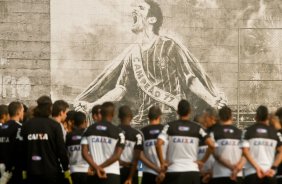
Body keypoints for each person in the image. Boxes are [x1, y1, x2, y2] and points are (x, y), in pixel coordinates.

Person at [75, 0, 226, 126]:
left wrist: (212, 100)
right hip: (144, 118)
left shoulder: (169, 46)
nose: (134, 10)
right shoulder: (132, 54)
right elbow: (120, 89)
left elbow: (190, 79)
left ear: (152, 19)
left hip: (170, 116)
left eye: (140, 8)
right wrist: (92, 105)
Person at [156, 99, 215, 184]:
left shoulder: (169, 126)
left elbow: (158, 144)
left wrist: (162, 163)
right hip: (192, 172)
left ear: (177, 111)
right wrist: (202, 161)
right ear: (190, 111)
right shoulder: (197, 127)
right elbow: (212, 145)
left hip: (173, 171)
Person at [21, 96, 71, 184]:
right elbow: (61, 151)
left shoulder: (27, 125)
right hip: (51, 172)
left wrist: (24, 169)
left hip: (32, 172)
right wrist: (66, 169)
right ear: (50, 108)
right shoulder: (54, 126)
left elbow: (22, 150)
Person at [81, 102, 125, 184]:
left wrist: (96, 168)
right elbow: (117, 155)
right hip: (112, 174)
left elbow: (84, 152)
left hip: (94, 173)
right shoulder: (119, 133)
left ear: (100, 113)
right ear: (113, 114)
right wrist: (100, 167)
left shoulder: (88, 130)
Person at [240, 106, 282, 184]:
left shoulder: (247, 131)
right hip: (269, 173)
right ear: (267, 117)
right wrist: (273, 168)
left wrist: (257, 167)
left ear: (256, 117)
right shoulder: (275, 133)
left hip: (252, 173)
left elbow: (245, 151)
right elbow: (281, 151)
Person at [210, 106, 245, 184]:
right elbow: (245, 154)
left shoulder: (214, 133)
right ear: (231, 117)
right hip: (237, 175)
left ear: (219, 117)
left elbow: (215, 154)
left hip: (220, 174)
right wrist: (237, 168)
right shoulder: (240, 133)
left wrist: (230, 167)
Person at [118, 105, 143, 184]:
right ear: (131, 117)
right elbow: (137, 158)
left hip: (116, 171)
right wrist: (130, 177)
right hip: (132, 170)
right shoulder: (137, 135)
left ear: (119, 117)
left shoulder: (113, 132)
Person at [140, 106, 165, 184]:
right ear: (159, 116)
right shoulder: (166, 130)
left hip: (148, 172)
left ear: (148, 117)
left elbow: (140, 155)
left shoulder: (141, 132)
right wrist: (162, 170)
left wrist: (156, 169)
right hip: (164, 173)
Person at [66, 111, 89, 184]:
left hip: (74, 170)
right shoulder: (89, 134)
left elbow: (66, 153)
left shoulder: (68, 136)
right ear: (85, 122)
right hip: (87, 170)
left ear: (73, 122)